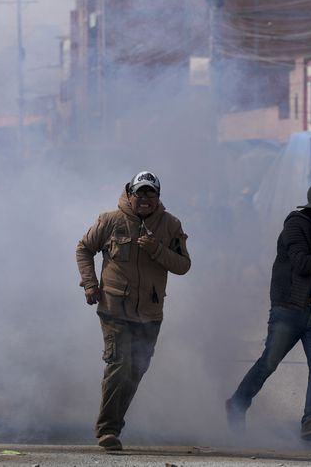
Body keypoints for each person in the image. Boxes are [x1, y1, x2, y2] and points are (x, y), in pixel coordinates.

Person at [225, 183, 311, 441]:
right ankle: (238, 403)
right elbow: (302, 264)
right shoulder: (296, 226)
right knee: (269, 363)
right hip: (291, 308)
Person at [76, 171, 191, 451]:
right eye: (139, 192)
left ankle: (114, 423)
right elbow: (83, 248)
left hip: (150, 313)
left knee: (136, 369)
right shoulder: (110, 220)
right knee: (119, 364)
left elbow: (183, 265)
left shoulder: (171, 225)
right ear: (129, 194)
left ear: (158, 197)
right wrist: (90, 285)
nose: (144, 199)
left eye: (150, 193)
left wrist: (157, 249)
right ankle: (108, 430)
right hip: (114, 307)